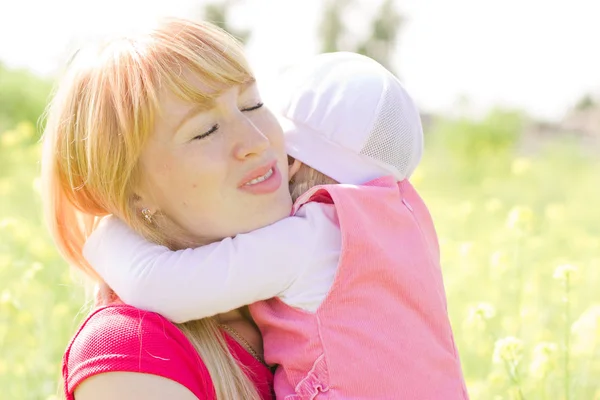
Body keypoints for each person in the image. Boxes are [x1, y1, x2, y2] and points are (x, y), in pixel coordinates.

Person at [84, 52, 470, 399]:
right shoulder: (406, 224)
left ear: (293, 161)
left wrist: (104, 232)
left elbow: (162, 287)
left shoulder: (312, 236)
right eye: (205, 130)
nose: (256, 148)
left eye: (253, 106)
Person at [41, 17, 290, 399]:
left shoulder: (307, 278)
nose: (256, 140)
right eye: (205, 130)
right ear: (132, 189)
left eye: (252, 103)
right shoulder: (131, 352)